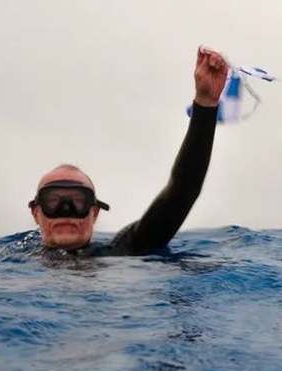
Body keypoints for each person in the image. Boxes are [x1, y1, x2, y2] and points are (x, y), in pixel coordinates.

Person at [27, 46, 229, 256]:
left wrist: (205, 103)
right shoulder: (6, 262)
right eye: (53, 200)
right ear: (36, 212)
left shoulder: (125, 250)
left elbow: (182, 192)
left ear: (94, 213)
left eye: (78, 200)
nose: (66, 210)